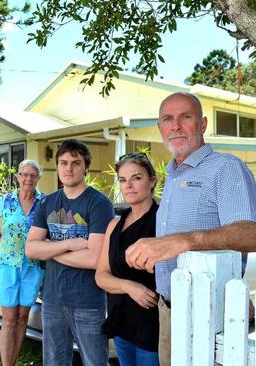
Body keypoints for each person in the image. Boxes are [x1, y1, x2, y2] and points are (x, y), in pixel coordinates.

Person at [125, 92, 256, 366]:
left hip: (209, 312)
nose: (175, 125)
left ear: (202, 125)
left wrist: (181, 242)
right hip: (168, 309)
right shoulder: (174, 176)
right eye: (168, 119)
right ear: (160, 128)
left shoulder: (226, 167)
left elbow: (251, 235)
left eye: (185, 117)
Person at [26, 139, 114, 366]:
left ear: (86, 167)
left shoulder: (98, 203)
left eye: (76, 163)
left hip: (88, 301)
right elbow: (31, 248)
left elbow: (94, 258)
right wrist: (71, 243)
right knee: (54, 362)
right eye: (63, 163)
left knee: (95, 362)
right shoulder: (48, 202)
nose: (69, 168)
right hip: (52, 299)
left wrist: (50, 248)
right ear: (57, 166)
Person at [0, 159, 46, 366]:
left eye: (33, 175)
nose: (28, 179)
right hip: (8, 266)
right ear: (17, 177)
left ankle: (13, 362)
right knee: (8, 319)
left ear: (38, 178)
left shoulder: (44, 202)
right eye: (24, 174)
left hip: (33, 268)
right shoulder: (6, 201)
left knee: (23, 318)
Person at [96, 152, 160, 366]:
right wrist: (131, 287)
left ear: (152, 180)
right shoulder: (114, 224)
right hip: (121, 320)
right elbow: (101, 276)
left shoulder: (163, 223)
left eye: (136, 178)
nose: (129, 185)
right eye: (123, 180)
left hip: (152, 324)